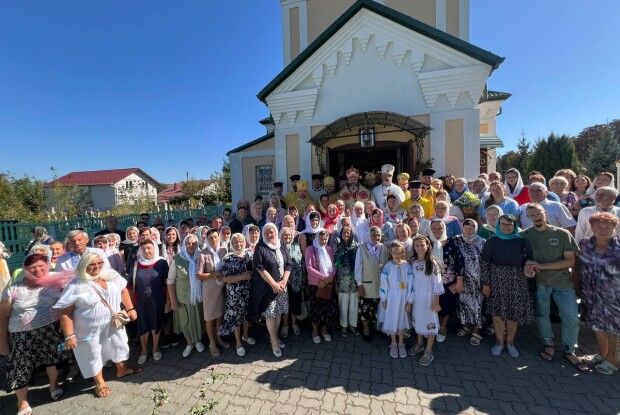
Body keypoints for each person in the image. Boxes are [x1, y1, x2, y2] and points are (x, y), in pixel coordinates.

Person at [54, 252, 141, 398]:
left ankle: (122, 369)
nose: (97, 266)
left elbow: (123, 291)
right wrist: (69, 336)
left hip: (114, 323)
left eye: (100, 263)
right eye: (92, 264)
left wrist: (130, 308)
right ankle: (99, 383)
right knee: (92, 353)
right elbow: (65, 313)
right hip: (88, 330)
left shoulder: (111, 275)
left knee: (118, 344)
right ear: (84, 266)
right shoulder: (76, 285)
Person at [0, 254, 74, 414]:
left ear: (47, 265)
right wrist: (3, 342)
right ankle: (22, 402)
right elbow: (3, 316)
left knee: (51, 361)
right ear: (25, 269)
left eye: (41, 266)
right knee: (21, 367)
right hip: (21, 335)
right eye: (33, 267)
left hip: (50, 330)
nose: (38, 270)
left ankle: (53, 386)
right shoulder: (14, 288)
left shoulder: (55, 282)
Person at [521, 204, 585, 371]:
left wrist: (541, 266)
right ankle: (548, 344)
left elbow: (570, 261)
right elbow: (523, 260)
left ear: (546, 213)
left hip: (563, 283)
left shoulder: (562, 234)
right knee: (542, 315)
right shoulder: (524, 236)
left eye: (539, 213)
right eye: (532, 215)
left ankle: (569, 350)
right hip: (540, 284)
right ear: (528, 217)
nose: (536, 217)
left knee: (571, 317)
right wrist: (527, 266)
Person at [480, 214, 534, 358]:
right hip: (496, 280)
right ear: (498, 225)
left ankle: (510, 342)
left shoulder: (522, 240)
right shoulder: (492, 241)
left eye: (510, 225)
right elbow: (484, 264)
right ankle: (499, 342)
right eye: (503, 224)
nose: (506, 227)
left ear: (514, 226)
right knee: (497, 314)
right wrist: (486, 284)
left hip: (517, 281)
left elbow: (529, 259)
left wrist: (529, 269)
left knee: (513, 313)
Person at [576, 212, 620, 375]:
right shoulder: (585, 244)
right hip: (590, 294)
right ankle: (603, 353)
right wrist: (577, 287)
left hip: (614, 297)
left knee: (613, 328)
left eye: (607, 226)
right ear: (592, 227)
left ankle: (613, 360)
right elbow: (578, 267)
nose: (603, 229)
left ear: (614, 228)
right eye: (598, 226)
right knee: (596, 324)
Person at [251, 223, 291, 357]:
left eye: (272, 231)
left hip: (282, 286)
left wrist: (284, 281)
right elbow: (260, 268)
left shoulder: (282, 245)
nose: (270, 234)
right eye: (267, 232)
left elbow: (289, 264)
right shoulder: (260, 247)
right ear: (263, 233)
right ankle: (274, 341)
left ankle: (275, 336)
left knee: (278, 312)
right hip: (268, 288)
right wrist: (274, 284)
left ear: (276, 232)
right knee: (270, 314)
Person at [167, 235, 206, 358]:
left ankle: (198, 341)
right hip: (182, 297)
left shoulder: (201, 257)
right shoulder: (177, 259)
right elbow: (170, 281)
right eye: (188, 243)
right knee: (186, 320)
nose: (191, 246)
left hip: (198, 297)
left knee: (198, 319)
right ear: (184, 244)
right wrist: (173, 301)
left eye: (194, 243)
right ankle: (189, 343)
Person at [131, 239, 168, 365]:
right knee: (142, 325)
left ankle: (155, 348)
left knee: (156, 323)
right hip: (140, 302)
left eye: (149, 248)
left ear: (154, 249)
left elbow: (167, 283)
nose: (146, 251)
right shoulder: (136, 264)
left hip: (157, 300)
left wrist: (168, 301)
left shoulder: (162, 262)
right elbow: (131, 285)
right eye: (144, 249)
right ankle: (144, 351)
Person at [409, 236, 444, 366]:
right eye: (416, 245)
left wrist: (436, 302)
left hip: (429, 299)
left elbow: (438, 284)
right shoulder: (412, 262)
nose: (419, 248)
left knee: (430, 323)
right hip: (417, 299)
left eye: (422, 245)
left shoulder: (432, 263)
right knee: (418, 320)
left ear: (428, 245)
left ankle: (429, 350)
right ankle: (419, 343)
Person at [218, 233, 254, 357]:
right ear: (231, 244)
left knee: (246, 315)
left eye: (241, 242)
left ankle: (245, 336)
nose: (238, 244)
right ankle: (238, 342)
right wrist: (242, 276)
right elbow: (225, 278)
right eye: (235, 242)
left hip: (248, 291)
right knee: (236, 317)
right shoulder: (228, 258)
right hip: (234, 294)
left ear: (245, 242)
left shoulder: (250, 255)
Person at [429, 219, 464, 342]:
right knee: (431, 305)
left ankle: (443, 326)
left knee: (446, 306)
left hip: (448, 282)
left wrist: (459, 282)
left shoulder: (452, 243)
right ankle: (432, 325)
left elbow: (460, 262)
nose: (437, 230)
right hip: (429, 282)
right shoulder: (427, 242)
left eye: (440, 228)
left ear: (444, 229)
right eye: (434, 228)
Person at [377, 241, 414, 359]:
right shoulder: (387, 266)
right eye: (394, 253)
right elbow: (384, 284)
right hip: (392, 297)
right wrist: (384, 299)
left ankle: (401, 342)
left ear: (403, 252)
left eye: (399, 252)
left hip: (403, 296)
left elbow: (411, 284)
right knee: (392, 317)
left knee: (402, 318)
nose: (397, 255)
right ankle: (393, 342)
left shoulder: (407, 266)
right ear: (391, 253)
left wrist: (409, 300)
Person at [453, 219, 485, 345]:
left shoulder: (482, 242)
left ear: (476, 228)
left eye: (472, 227)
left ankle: (477, 329)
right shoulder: (456, 240)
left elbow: (486, 261)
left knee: (477, 304)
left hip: (477, 279)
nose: (468, 229)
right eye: (466, 227)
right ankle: (466, 325)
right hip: (461, 278)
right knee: (462, 302)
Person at [197, 228, 228, 357]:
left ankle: (219, 338)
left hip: (221, 288)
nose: (214, 240)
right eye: (211, 238)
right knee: (209, 318)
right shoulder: (203, 254)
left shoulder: (223, 251)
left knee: (219, 316)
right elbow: (198, 275)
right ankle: (212, 343)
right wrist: (213, 274)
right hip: (209, 290)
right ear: (207, 240)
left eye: (216, 237)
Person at [354, 226, 389, 340]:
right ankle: (365, 328)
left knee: (378, 308)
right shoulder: (362, 248)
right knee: (365, 308)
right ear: (369, 235)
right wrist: (359, 285)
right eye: (373, 235)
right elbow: (358, 267)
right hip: (367, 284)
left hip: (381, 285)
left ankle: (377, 327)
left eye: (378, 235)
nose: (376, 237)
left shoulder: (384, 248)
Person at [305, 229, 338, 344]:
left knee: (327, 309)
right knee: (316, 309)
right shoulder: (310, 249)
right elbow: (309, 268)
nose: (324, 241)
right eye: (321, 238)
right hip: (316, 284)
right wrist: (323, 278)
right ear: (317, 238)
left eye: (326, 239)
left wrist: (329, 277)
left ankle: (324, 330)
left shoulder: (329, 249)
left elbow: (334, 266)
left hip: (328, 284)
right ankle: (315, 331)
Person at [334, 225, 359, 337]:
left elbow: (359, 264)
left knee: (353, 305)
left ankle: (352, 325)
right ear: (341, 234)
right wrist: (335, 282)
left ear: (352, 234)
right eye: (344, 233)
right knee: (343, 305)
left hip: (354, 281)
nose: (346, 235)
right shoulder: (338, 247)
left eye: (348, 233)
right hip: (342, 281)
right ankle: (343, 326)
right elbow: (334, 265)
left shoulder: (356, 247)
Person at [280, 227, 304, 338]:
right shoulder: (278, 248)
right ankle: (285, 325)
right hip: (283, 281)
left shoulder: (296, 246)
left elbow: (300, 262)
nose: (287, 237)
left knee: (294, 303)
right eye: (285, 235)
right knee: (285, 304)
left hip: (296, 280)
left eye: (289, 235)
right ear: (281, 236)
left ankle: (294, 324)